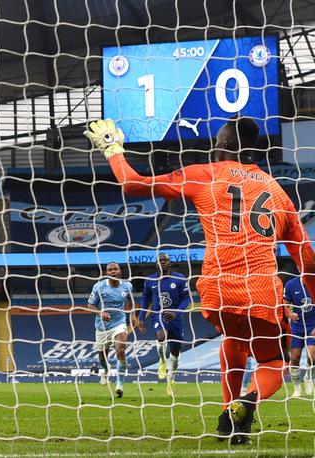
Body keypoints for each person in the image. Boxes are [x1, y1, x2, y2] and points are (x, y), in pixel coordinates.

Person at [86, 116, 315, 444]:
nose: (213, 148)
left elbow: (132, 183)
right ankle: (247, 402)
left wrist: (112, 149)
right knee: (274, 362)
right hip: (262, 290)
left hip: (217, 289)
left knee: (234, 341)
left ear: (224, 146)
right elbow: (307, 261)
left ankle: (229, 418)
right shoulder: (279, 195)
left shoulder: (205, 174)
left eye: (216, 143)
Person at [137, 253, 192, 396]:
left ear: (170, 263)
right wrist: (141, 317)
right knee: (161, 336)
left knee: (175, 351)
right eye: (160, 260)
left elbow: (187, 300)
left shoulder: (179, 279)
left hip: (176, 319)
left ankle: (171, 377)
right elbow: (145, 299)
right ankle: (162, 361)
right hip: (158, 315)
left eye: (165, 260)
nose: (162, 262)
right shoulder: (150, 280)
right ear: (156, 264)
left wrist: (176, 313)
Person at [84, 262, 134, 398]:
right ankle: (106, 371)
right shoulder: (99, 287)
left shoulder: (127, 286)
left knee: (121, 349)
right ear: (107, 273)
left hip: (119, 323)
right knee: (102, 356)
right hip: (102, 327)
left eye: (115, 269)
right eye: (110, 270)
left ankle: (119, 384)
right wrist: (100, 313)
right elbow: (90, 305)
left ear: (120, 271)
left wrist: (133, 315)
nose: (113, 271)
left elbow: (130, 301)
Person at [283, 275, 315, 398]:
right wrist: (290, 314)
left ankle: (308, 377)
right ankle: (296, 388)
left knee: (312, 356)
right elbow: (283, 304)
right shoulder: (291, 284)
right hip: (297, 327)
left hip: (313, 326)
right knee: (295, 358)